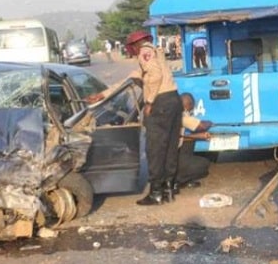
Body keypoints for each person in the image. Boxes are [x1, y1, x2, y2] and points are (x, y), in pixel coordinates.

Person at [89, 31, 182, 206]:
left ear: (135, 45)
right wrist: (103, 94)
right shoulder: (156, 52)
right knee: (170, 146)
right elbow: (128, 80)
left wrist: (149, 102)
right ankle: (168, 188)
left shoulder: (145, 52)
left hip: (160, 103)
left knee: (155, 149)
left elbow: (154, 76)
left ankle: (155, 193)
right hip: (173, 100)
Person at [173, 93, 213, 191]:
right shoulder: (183, 116)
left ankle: (179, 178)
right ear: (188, 106)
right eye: (192, 107)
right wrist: (211, 122)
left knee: (189, 142)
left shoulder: (170, 114)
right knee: (204, 165)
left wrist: (197, 137)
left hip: (164, 160)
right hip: (172, 161)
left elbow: (180, 137)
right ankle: (178, 180)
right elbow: (202, 126)